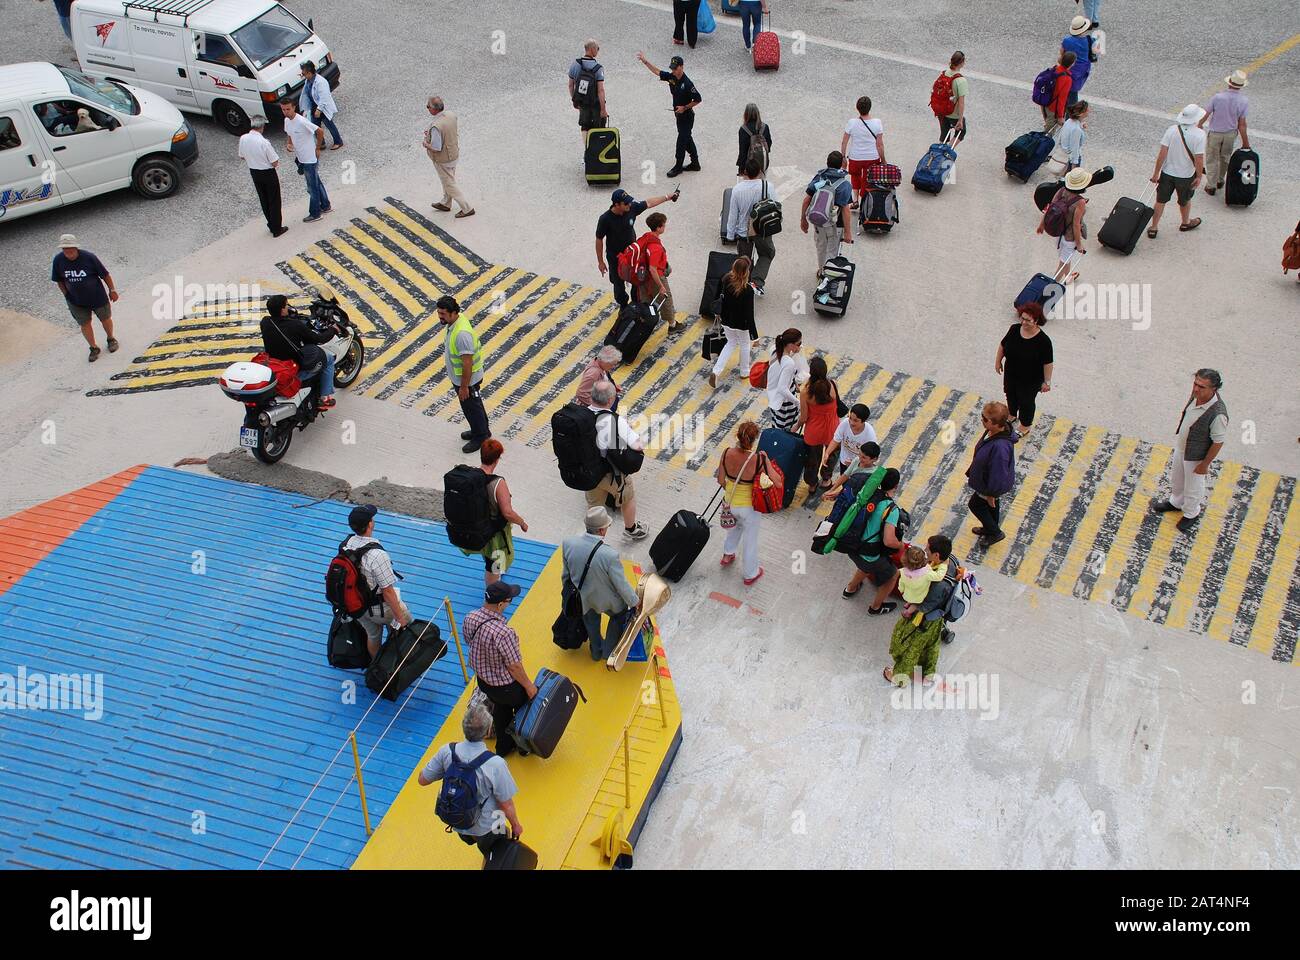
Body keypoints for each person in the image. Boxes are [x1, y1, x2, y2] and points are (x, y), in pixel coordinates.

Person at [417, 703, 523, 856]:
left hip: (457, 819)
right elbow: (506, 804)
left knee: (476, 837)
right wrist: (516, 825)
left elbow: (422, 780)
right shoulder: (495, 764)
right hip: (488, 825)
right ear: (487, 731)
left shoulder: (447, 751)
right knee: (496, 851)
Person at [1150, 368, 1228, 534]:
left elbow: (1218, 442)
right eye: (1195, 384)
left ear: (1214, 389)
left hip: (1196, 456)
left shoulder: (1218, 414)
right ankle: (1176, 502)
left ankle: (1192, 512)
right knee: (1177, 480)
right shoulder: (1196, 396)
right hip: (1182, 448)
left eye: (1201, 387)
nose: (1196, 389)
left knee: (1193, 486)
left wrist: (1205, 464)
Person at [465, 581, 536, 758]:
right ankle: (523, 746)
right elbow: (514, 666)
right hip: (506, 686)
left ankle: (503, 748)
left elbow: (469, 641)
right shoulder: (504, 633)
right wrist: (529, 686)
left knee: (501, 710)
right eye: (509, 600)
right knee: (523, 709)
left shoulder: (470, 617)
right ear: (501, 604)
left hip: (484, 682)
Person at [562, 507, 641, 661]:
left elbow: (566, 576)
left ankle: (596, 651)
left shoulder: (568, 543)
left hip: (582, 599)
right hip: (606, 601)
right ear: (602, 530)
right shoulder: (610, 555)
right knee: (619, 614)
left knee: (591, 622)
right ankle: (608, 651)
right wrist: (635, 601)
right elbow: (621, 585)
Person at [884, 534, 958, 685]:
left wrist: (911, 607)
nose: (925, 551)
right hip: (937, 619)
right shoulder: (951, 561)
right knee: (931, 644)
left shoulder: (940, 584)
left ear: (936, 555)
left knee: (910, 646)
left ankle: (899, 677)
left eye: (928, 550)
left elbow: (927, 605)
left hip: (924, 619)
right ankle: (928, 674)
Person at [342, 504, 414, 657]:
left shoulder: (346, 545)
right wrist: (400, 619)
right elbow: (387, 591)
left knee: (373, 635)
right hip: (379, 608)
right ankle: (399, 664)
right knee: (407, 626)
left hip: (358, 606)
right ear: (370, 524)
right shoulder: (377, 555)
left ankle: (376, 666)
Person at [459, 439, 528, 587]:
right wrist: (522, 522)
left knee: (489, 557)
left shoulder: (470, 477)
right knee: (494, 565)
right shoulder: (497, 483)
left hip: (476, 528)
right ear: (497, 459)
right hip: (494, 534)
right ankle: (492, 594)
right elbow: (508, 513)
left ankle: (494, 581)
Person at [839, 467, 905, 615]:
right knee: (892, 575)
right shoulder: (891, 509)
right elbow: (888, 541)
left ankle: (850, 589)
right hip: (869, 554)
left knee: (864, 565)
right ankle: (876, 607)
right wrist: (900, 545)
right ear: (896, 486)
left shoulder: (868, 495)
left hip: (851, 546)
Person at [587, 381, 648, 540]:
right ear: (610, 400)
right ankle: (631, 529)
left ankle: (594, 535)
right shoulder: (615, 420)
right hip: (611, 473)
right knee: (628, 498)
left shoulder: (581, 415)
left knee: (594, 504)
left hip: (589, 471)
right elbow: (637, 445)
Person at [595, 188, 676, 306]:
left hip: (633, 255)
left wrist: (668, 197)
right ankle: (623, 305)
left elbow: (649, 203)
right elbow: (599, 239)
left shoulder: (631, 208)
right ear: (616, 204)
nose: (629, 204)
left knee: (637, 281)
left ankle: (635, 303)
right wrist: (600, 262)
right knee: (618, 284)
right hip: (615, 258)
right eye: (626, 203)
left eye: (629, 202)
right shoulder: (605, 219)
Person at [260, 293, 338, 408]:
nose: (288, 307)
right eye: (286, 305)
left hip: (275, 363)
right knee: (329, 359)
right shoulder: (295, 325)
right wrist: (332, 330)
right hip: (293, 366)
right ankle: (325, 398)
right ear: (282, 310)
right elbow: (317, 339)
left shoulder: (265, 322)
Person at [50, 234, 118, 363]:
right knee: (84, 323)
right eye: (65, 249)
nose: (68, 252)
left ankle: (111, 339)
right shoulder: (58, 260)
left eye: (70, 248)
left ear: (76, 247)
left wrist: (112, 290)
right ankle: (93, 347)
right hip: (76, 301)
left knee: (105, 319)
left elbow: (105, 275)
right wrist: (67, 295)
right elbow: (59, 280)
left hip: (97, 297)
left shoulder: (89, 258)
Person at [715, 420, 767, 586]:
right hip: (749, 507)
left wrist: (731, 490)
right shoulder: (758, 459)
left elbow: (720, 480)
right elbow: (769, 482)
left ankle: (728, 553)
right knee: (750, 540)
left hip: (730, 502)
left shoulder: (726, 453)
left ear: (737, 435)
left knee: (734, 528)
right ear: (754, 439)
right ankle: (750, 573)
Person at [437, 295, 490, 454]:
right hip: (463, 380)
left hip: (467, 380)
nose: (440, 316)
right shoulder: (456, 322)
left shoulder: (461, 334)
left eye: (443, 314)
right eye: (439, 313)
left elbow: (468, 363)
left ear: (453, 313)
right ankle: (479, 430)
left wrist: (464, 387)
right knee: (473, 405)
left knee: (472, 407)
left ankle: (481, 436)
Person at [637, 53, 702, 178]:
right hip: (678, 116)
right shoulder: (672, 77)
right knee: (687, 139)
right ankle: (695, 163)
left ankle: (678, 166)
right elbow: (657, 71)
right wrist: (645, 61)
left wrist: (685, 107)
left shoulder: (687, 84)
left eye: (675, 68)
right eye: (672, 68)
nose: (673, 70)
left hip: (687, 117)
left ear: (682, 67)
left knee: (681, 141)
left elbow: (698, 99)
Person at [965, 402, 1019, 548]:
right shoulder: (993, 432)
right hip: (987, 481)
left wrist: (991, 493)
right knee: (990, 505)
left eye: (985, 419)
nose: (982, 420)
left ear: (995, 423)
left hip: (990, 484)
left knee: (976, 505)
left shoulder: (1000, 447)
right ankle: (989, 529)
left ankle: (995, 532)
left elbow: (998, 473)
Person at [1148, 104, 1207, 238]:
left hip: (1167, 173)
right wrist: (1199, 176)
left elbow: (1162, 153)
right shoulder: (1200, 135)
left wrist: (1156, 173)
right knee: (1185, 200)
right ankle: (1185, 222)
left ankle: (1154, 227)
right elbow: (1199, 158)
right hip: (1186, 175)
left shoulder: (1172, 130)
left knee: (1160, 201)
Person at [996, 301, 1054, 436]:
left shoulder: (1043, 341)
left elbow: (1048, 363)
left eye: (1028, 320)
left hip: (1030, 379)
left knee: (1026, 402)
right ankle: (1011, 414)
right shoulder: (1014, 329)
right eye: (1022, 318)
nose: (1023, 322)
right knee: (1010, 393)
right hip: (1011, 373)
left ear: (1036, 320)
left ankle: (1025, 426)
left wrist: (1047, 382)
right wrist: (998, 361)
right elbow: (1003, 345)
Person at [725, 156, 776, 296]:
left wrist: (730, 235)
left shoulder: (737, 189)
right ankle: (757, 281)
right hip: (762, 231)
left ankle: (742, 285)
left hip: (744, 232)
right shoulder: (768, 186)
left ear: (745, 172)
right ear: (760, 171)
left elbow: (732, 214)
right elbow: (775, 207)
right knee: (767, 253)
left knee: (743, 260)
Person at [801, 151, 854, 279]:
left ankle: (821, 271)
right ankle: (829, 277)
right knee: (832, 251)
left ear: (827, 163)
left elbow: (806, 200)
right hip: (836, 224)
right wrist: (848, 232)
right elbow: (846, 210)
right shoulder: (844, 185)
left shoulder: (819, 178)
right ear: (842, 164)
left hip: (819, 222)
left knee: (821, 248)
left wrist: (803, 219)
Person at [1198, 71, 1250, 197]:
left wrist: (1199, 125)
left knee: (1212, 159)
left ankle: (1211, 185)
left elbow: (1206, 112)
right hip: (1230, 134)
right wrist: (1245, 143)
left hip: (1215, 133)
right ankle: (1220, 180)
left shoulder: (1218, 97)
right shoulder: (1244, 101)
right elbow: (1242, 124)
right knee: (1225, 158)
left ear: (1229, 83)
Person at [709, 256, 758, 388]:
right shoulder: (748, 290)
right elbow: (750, 313)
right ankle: (744, 371)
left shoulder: (725, 279)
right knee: (745, 344)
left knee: (730, 343)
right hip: (742, 323)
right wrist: (755, 335)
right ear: (746, 272)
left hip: (726, 320)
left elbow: (718, 296)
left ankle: (716, 371)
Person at [279, 99, 330, 223]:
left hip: (309, 159)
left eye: (288, 109)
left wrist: (317, 148)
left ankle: (315, 213)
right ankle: (325, 205)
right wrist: (289, 143)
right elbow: (289, 133)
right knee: (317, 182)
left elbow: (320, 131)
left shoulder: (301, 121)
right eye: (283, 109)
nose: (286, 112)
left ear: (294, 108)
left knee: (311, 188)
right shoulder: (287, 121)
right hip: (301, 158)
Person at [424, 96, 474, 219]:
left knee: (449, 184)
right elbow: (448, 131)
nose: (427, 108)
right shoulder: (451, 115)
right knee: (448, 180)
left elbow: (436, 147)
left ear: (434, 109)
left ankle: (467, 208)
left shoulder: (436, 126)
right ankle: (446, 203)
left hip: (443, 159)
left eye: (428, 106)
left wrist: (426, 144)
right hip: (453, 153)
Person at [1036, 167, 1090, 281]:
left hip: (1057, 232)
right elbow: (1076, 225)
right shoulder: (1080, 202)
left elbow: (1050, 207)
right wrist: (1079, 244)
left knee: (1065, 259)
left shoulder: (1061, 190)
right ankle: (1050, 290)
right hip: (1069, 238)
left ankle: (1069, 276)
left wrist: (1042, 224)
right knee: (1062, 264)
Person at [796, 356, 841, 491]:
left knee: (812, 459)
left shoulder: (805, 392)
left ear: (811, 372)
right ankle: (826, 479)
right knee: (831, 454)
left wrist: (796, 426)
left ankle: (812, 484)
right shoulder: (833, 385)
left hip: (813, 431)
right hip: (832, 429)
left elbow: (804, 417)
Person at [238, 116, 288, 238]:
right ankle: (277, 228)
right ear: (262, 127)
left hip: (254, 172)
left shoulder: (243, 138)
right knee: (274, 200)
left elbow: (242, 156)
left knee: (264, 199)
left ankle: (271, 224)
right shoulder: (264, 142)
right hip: (268, 173)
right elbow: (274, 161)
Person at [634, 211, 682, 333]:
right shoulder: (655, 247)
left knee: (645, 300)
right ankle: (672, 325)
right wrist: (661, 286)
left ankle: (644, 323)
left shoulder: (647, 237)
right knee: (666, 299)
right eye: (664, 225)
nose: (665, 227)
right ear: (659, 227)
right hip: (655, 277)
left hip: (642, 275)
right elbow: (653, 269)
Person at [840, 96, 886, 209]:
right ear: (870, 108)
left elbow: (844, 142)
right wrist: (883, 159)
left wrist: (843, 157)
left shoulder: (852, 123)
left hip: (855, 157)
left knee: (855, 176)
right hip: (872, 157)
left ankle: (855, 200)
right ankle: (865, 201)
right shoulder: (877, 123)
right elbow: (879, 145)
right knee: (867, 179)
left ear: (857, 108)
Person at [819, 403, 877, 484]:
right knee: (844, 483)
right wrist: (827, 453)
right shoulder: (845, 423)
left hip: (860, 467)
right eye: (850, 418)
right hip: (844, 461)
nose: (851, 422)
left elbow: (871, 457)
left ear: (863, 421)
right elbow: (836, 439)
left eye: (855, 420)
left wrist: (856, 463)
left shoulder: (870, 435)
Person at [569, 40, 608, 144]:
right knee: (598, 126)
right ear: (592, 49)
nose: (598, 51)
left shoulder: (575, 64)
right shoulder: (598, 68)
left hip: (582, 101)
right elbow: (600, 90)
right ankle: (597, 153)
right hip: (595, 103)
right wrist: (603, 109)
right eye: (597, 48)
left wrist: (575, 100)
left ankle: (587, 153)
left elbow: (570, 85)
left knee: (585, 126)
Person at [766, 328, 804, 431]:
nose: (800, 346)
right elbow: (782, 389)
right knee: (785, 431)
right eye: (798, 343)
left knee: (776, 426)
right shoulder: (789, 363)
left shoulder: (775, 349)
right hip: (786, 403)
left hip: (774, 398)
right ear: (790, 344)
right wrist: (798, 403)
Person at [898, 545, 946, 625]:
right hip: (919, 598)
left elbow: (901, 583)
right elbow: (939, 576)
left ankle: (908, 603)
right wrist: (944, 565)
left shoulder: (903, 571)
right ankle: (907, 612)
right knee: (917, 605)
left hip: (906, 594)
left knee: (911, 597)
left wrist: (901, 590)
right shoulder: (926, 574)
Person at [298, 61, 342, 149]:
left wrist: (319, 109)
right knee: (315, 126)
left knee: (329, 124)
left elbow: (324, 97)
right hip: (314, 106)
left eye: (303, 73)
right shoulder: (309, 80)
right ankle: (321, 143)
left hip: (322, 107)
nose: (302, 75)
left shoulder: (320, 82)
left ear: (309, 73)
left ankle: (338, 141)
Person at [936, 51, 968, 143]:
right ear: (962, 63)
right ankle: (946, 152)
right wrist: (960, 119)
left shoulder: (944, 73)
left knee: (944, 133)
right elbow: (961, 103)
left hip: (941, 110)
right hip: (953, 113)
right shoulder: (961, 80)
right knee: (961, 132)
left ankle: (938, 153)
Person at [1061, 16, 1095, 102]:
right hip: (1082, 70)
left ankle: (1067, 108)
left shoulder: (1066, 41)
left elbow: (1062, 53)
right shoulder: (1090, 40)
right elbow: (1094, 53)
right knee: (1073, 91)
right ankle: (1072, 110)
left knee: (1068, 89)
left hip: (1068, 67)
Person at [1041, 51, 1076, 134]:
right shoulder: (1067, 79)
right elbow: (1062, 99)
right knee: (1048, 133)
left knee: (1047, 125)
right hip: (1053, 108)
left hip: (1045, 102)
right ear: (1072, 64)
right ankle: (1036, 145)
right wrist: (1060, 116)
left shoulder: (1055, 69)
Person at [736, 103, 772, 175]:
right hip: (763, 165)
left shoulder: (743, 129)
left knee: (749, 186)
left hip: (749, 168)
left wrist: (741, 169)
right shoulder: (765, 127)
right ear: (758, 113)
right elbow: (769, 145)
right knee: (761, 184)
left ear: (746, 114)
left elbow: (742, 151)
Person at [1057, 100, 1089, 172]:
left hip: (1064, 154)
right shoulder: (1076, 130)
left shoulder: (1068, 121)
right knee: (1069, 181)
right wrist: (1074, 167)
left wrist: (1081, 126)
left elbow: (1060, 137)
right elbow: (1075, 149)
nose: (1089, 111)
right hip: (1070, 160)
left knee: (1063, 178)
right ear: (1081, 114)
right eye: (1087, 110)